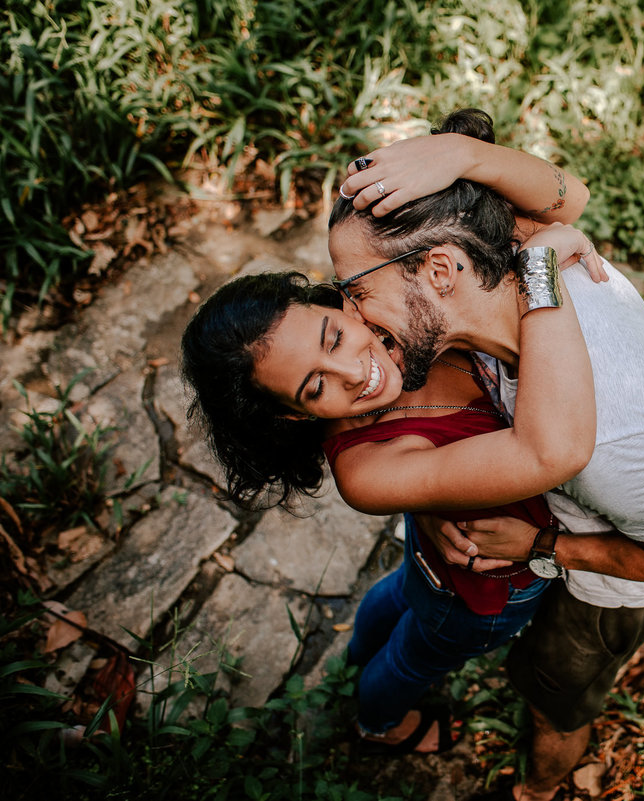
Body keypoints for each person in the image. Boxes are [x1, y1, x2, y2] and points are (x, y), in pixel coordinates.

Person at [333, 113, 644, 800]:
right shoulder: (512, 264)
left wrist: (542, 547)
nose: (352, 317)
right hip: (560, 536)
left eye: (358, 290)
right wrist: (463, 155)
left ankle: (537, 790)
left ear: (439, 270)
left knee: (552, 698)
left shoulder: (614, 442)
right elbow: (564, 198)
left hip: (607, 590)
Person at [181, 128, 601, 754]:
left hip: (429, 561)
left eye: (332, 337)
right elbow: (548, 452)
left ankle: (355, 653)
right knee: (414, 657)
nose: (356, 372)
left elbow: (569, 201)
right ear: (293, 416)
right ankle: (378, 723)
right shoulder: (366, 474)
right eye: (315, 387)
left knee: (400, 594)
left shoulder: (401, 305)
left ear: (338, 299)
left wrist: (466, 154)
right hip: (482, 593)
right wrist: (538, 268)